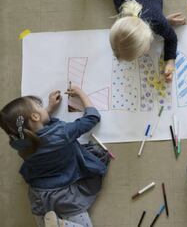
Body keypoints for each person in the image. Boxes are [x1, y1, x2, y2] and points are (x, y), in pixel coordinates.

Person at [0, 87, 110, 227]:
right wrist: (80, 93)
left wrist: (49, 108)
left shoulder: (20, 142)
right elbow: (92, 118)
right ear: (35, 117)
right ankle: (61, 224)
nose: (43, 108)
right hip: (64, 195)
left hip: (39, 195)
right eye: (39, 107)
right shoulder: (61, 134)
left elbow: (30, 128)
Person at [110, 0, 186, 82]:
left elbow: (171, 38)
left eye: (141, 54)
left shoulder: (157, 22)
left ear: (150, 37)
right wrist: (165, 21)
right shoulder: (122, 9)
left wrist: (170, 62)